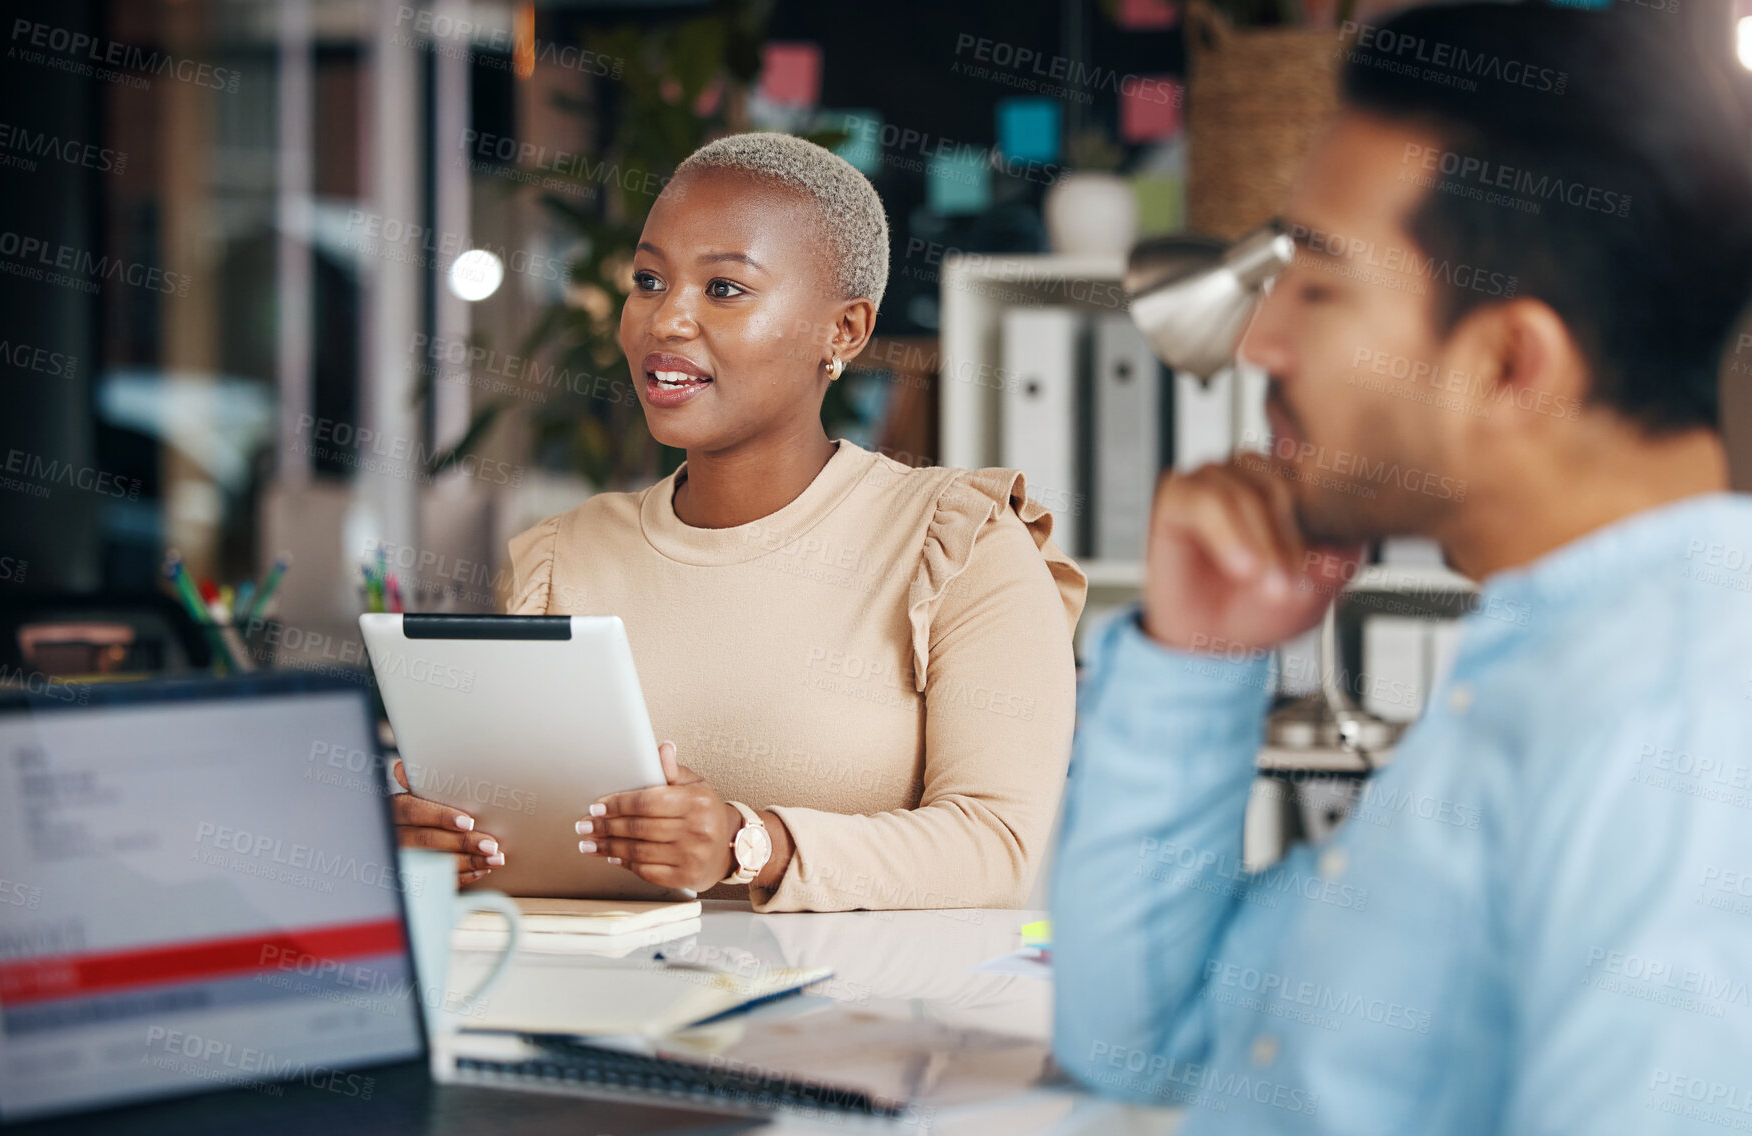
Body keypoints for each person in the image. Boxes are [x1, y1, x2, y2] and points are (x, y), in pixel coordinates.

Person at [1051, 5, 1752, 1133]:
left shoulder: (1674, 727)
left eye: (1317, 285)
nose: (1255, 340)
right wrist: (1194, 658)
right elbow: (1141, 1044)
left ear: (1507, 364)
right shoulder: (1539, 660)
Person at [393, 132, 1085, 911]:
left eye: (723, 289)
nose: (666, 321)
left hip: (865, 1024)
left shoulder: (961, 544)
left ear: (845, 331)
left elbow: (998, 848)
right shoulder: (561, 558)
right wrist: (448, 841)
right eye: (648, 280)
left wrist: (747, 843)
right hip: (610, 1012)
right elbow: (532, 859)